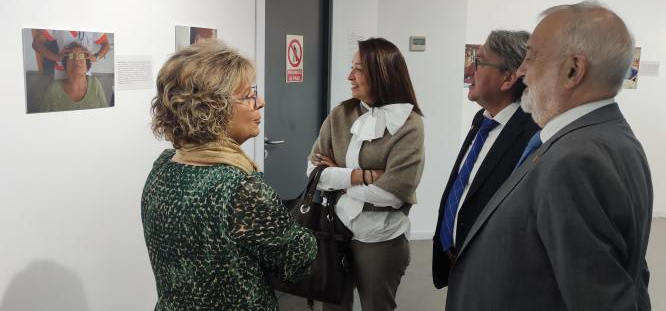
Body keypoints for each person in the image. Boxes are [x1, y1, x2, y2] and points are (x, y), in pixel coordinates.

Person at [446, 1, 653, 310]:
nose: (522, 70)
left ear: (573, 70)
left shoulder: (577, 160)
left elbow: (604, 298)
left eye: (532, 55)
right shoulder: (605, 137)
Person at [142, 40, 317, 310]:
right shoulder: (239, 186)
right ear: (214, 109)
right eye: (249, 95)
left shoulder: (164, 167)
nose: (260, 102)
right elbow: (296, 259)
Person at [309, 37, 425, 310]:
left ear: (381, 72)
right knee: (333, 306)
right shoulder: (340, 113)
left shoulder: (409, 125)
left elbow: (391, 193)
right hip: (334, 231)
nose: (350, 76)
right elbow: (313, 172)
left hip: (380, 238)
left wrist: (336, 177)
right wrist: (365, 176)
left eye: (358, 69)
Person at [432, 30, 538, 289]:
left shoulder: (533, 137)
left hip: (492, 278)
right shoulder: (483, 120)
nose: (469, 70)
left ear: (508, 78)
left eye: (478, 62)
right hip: (458, 264)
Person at [39, 42, 108, 112]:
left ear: (87, 67)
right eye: (71, 56)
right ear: (66, 66)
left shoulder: (95, 84)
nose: (76, 59)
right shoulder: (53, 89)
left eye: (81, 56)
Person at [32, 29, 110, 80]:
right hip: (62, 72)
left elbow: (106, 44)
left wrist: (95, 57)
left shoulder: (92, 23)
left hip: (84, 71)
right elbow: (36, 44)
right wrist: (57, 57)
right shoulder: (57, 20)